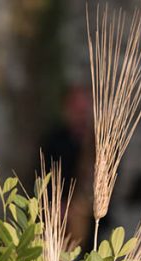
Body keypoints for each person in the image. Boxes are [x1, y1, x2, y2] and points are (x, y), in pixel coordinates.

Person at [39, 85, 96, 250]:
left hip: (94, 220)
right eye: (77, 109)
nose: (82, 114)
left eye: (84, 109)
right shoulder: (53, 140)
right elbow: (43, 176)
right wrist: (58, 205)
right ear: (67, 110)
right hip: (61, 217)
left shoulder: (97, 141)